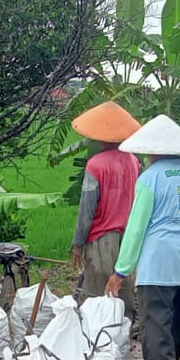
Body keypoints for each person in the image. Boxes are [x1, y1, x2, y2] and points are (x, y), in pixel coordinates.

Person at [106, 115, 180, 360]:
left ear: (152, 148)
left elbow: (137, 226)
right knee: (176, 319)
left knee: (155, 322)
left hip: (159, 259)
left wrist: (121, 270)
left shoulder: (150, 178)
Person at [69, 101, 142, 318]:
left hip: (102, 239)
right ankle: (124, 334)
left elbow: (87, 209)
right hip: (128, 237)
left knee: (97, 296)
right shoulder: (133, 162)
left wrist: (77, 245)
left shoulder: (96, 164)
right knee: (124, 290)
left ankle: (98, 342)